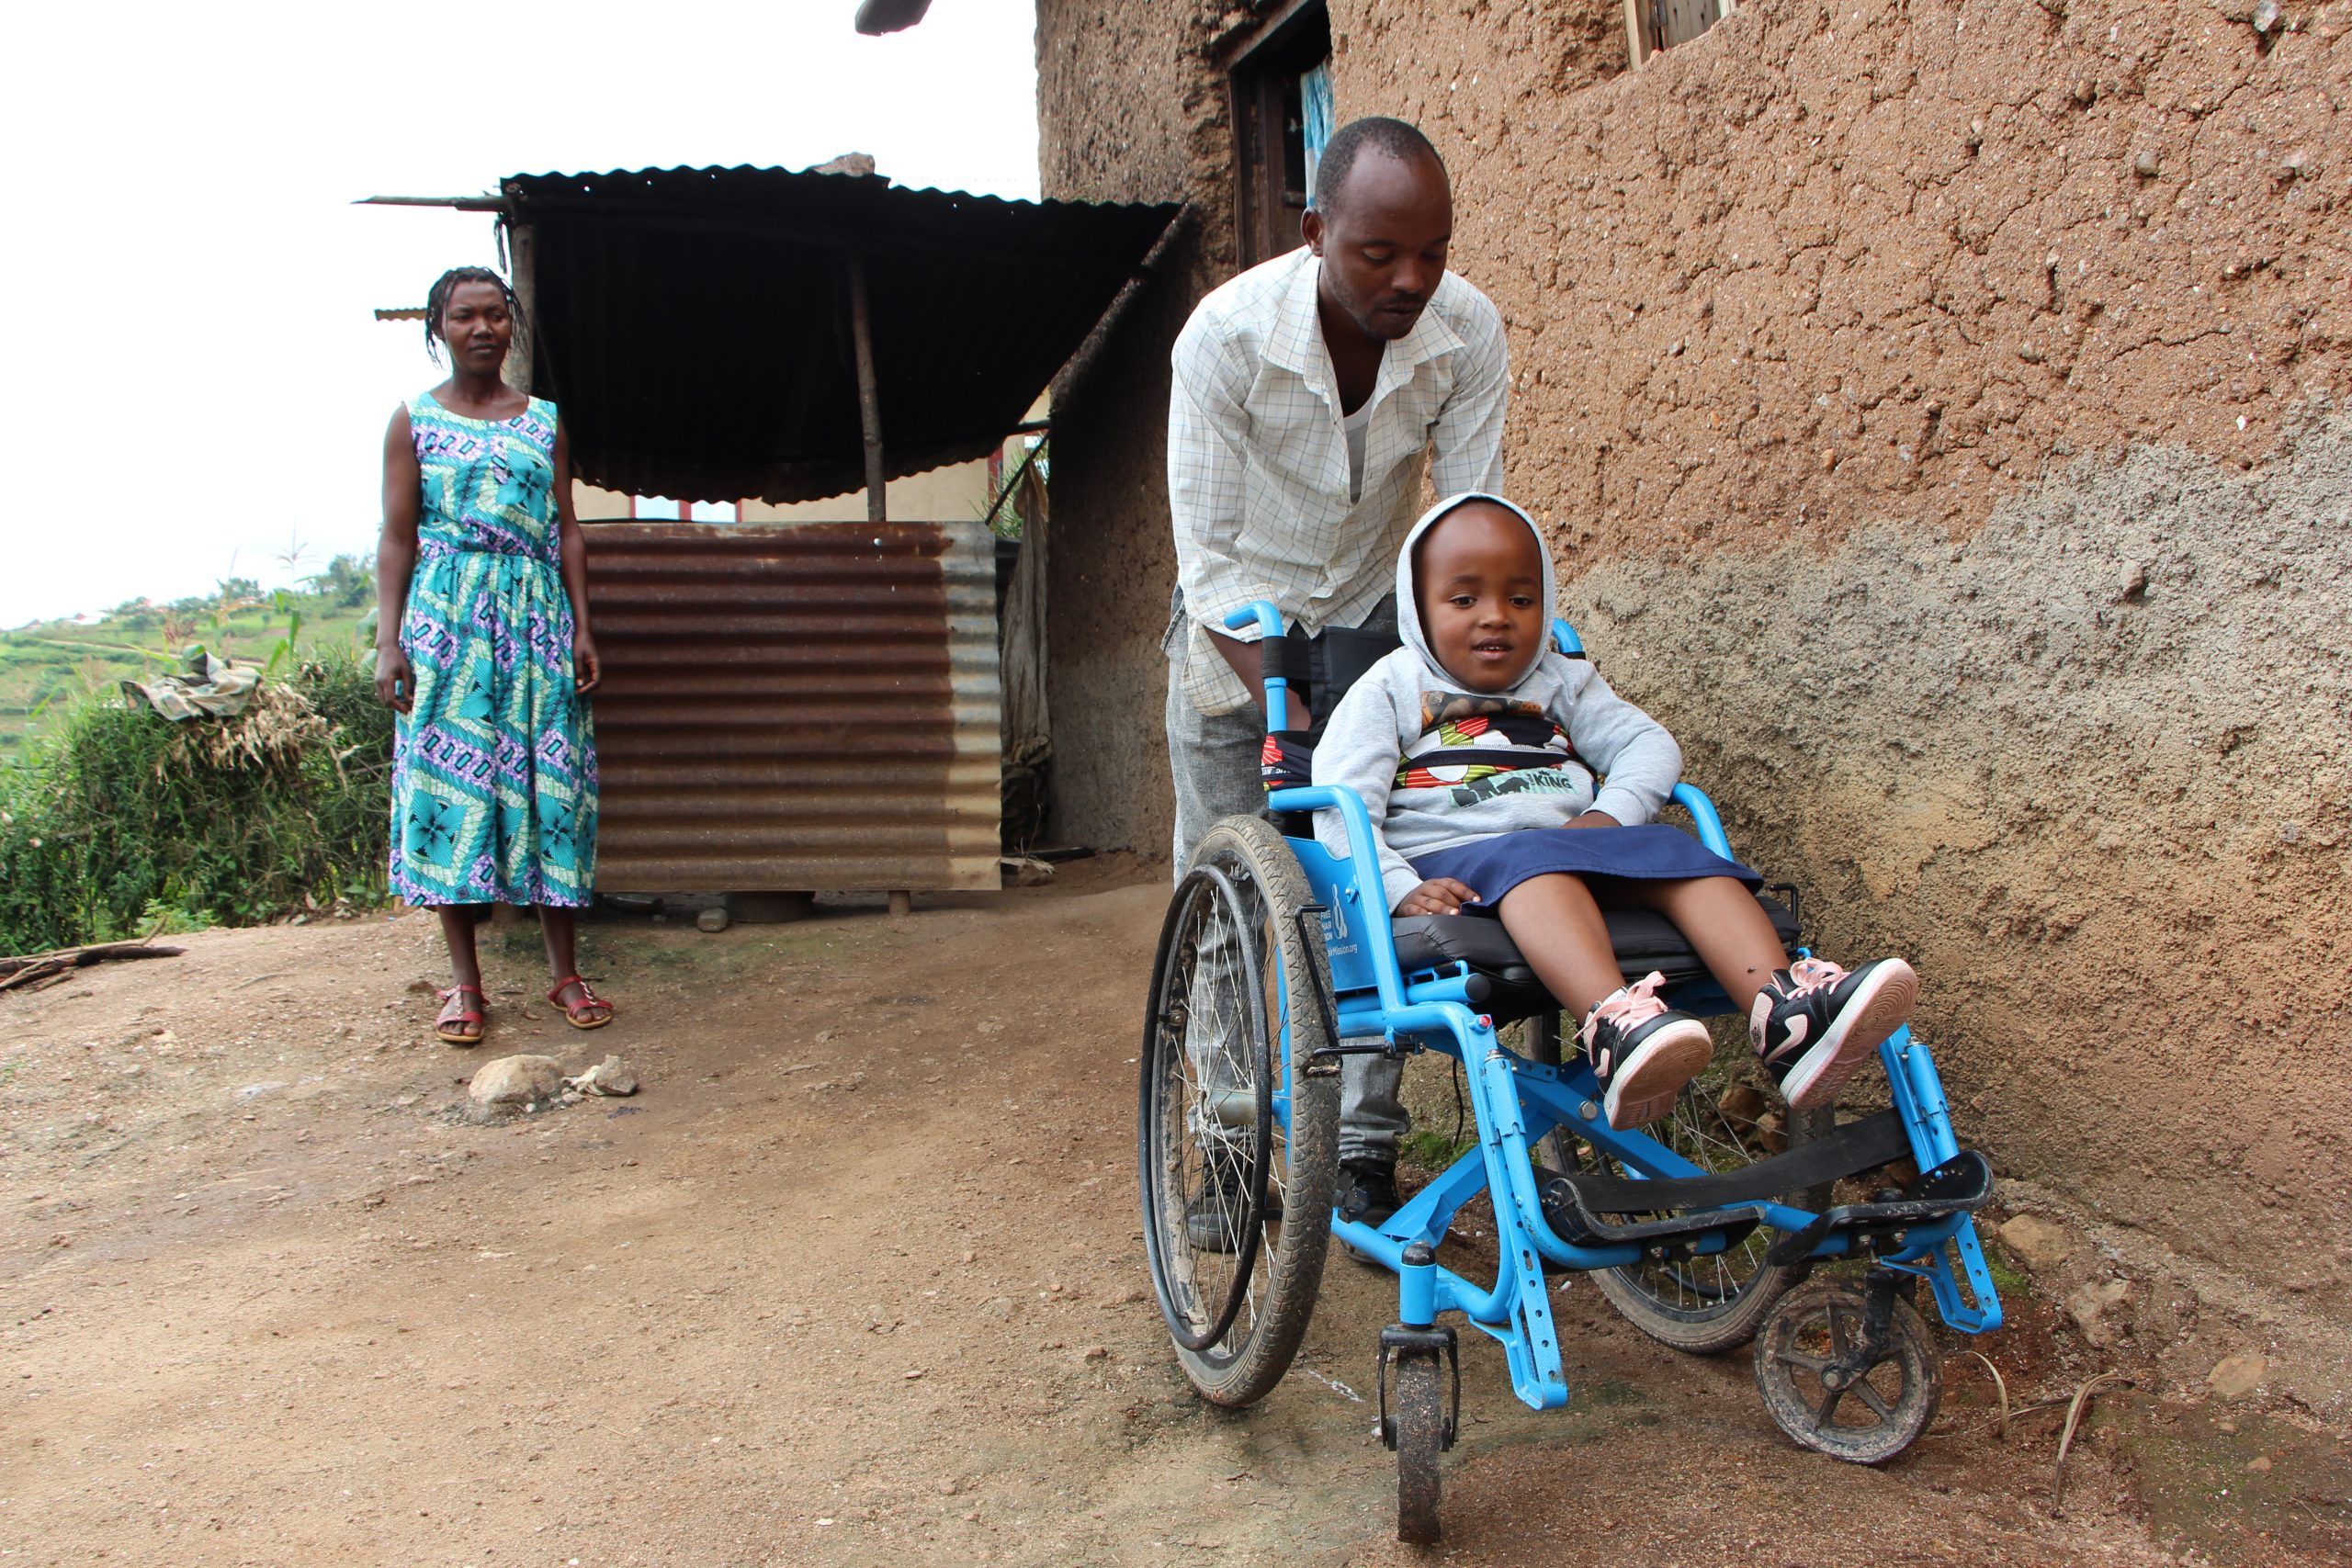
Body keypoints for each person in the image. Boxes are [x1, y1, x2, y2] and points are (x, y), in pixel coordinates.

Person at [1312, 493, 1919, 1130]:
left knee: (1679, 853)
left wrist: (1612, 814)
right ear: (1419, 609)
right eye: (1464, 600)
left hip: (1575, 848)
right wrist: (1397, 888)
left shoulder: (1560, 678)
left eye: (1521, 599)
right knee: (1531, 861)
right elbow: (1341, 801)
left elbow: (1649, 743)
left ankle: (1788, 1013)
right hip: (1460, 864)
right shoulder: (1389, 686)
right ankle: (1614, 1025)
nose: (1496, 618)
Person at [1167, 116, 1509, 1228]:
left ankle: (1361, 1142)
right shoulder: (1224, 339)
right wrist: (1283, 693)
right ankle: (1222, 1147)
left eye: (1432, 252)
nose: (1411, 279)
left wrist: (1450, 677)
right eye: (1377, 254)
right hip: (1234, 642)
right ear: (1318, 232)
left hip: (1372, 624)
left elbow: (1464, 524)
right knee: (1228, 906)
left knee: (1370, 887)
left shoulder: (1465, 336)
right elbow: (1208, 559)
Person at [374, 265, 616, 1045]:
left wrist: (581, 625)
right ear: (438, 328)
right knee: (451, 786)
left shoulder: (543, 420)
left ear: (512, 325)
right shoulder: (412, 421)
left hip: (537, 619)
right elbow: (397, 537)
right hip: (446, 625)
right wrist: (389, 641)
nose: (482, 329)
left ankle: (565, 974)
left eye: (495, 316)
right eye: (463, 316)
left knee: (554, 788)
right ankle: (465, 985)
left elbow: (568, 530)